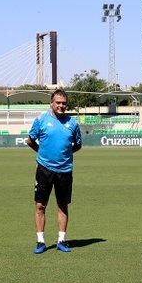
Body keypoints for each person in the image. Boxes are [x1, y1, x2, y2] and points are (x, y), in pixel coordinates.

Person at [26, 89, 82, 254]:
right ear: (52, 103)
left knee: (62, 205)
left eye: (64, 103)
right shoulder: (42, 119)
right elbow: (30, 140)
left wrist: (65, 155)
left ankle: (61, 240)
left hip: (64, 170)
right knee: (40, 206)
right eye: (58, 102)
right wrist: (42, 153)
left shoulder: (73, 123)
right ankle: (40, 242)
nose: (61, 105)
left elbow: (78, 145)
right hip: (44, 169)